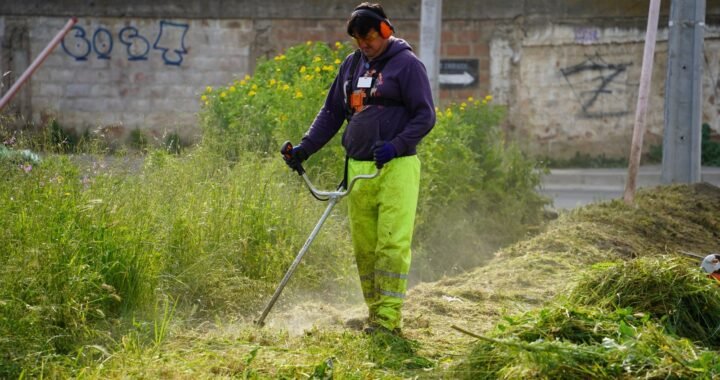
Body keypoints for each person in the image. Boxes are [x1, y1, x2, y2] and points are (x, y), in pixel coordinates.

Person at [283, 2, 435, 335]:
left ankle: (387, 319)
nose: (363, 45)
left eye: (368, 38)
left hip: (396, 168)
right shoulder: (352, 66)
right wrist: (304, 148)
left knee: (390, 245)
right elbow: (331, 114)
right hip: (358, 171)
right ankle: (374, 312)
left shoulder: (407, 65)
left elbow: (426, 116)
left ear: (385, 30)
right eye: (357, 40)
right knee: (365, 248)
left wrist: (395, 145)